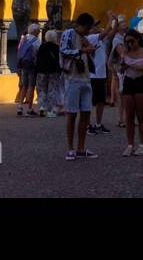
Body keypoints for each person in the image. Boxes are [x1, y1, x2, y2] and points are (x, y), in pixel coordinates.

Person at [60, 13, 99, 159]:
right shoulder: (68, 34)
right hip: (72, 78)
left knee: (86, 113)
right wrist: (82, 50)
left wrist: (89, 49)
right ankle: (70, 148)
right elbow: (63, 51)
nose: (89, 31)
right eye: (88, 28)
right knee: (72, 114)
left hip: (86, 78)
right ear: (80, 25)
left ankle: (81, 148)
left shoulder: (85, 38)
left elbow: (89, 57)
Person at [119, 30, 143, 155]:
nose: (130, 44)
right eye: (127, 42)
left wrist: (141, 68)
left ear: (138, 39)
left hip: (140, 81)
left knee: (140, 115)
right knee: (129, 116)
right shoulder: (125, 53)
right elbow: (120, 70)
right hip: (128, 82)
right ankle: (130, 144)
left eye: (132, 41)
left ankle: (142, 145)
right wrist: (124, 66)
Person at [86, 16, 112, 135]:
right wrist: (111, 19)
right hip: (93, 75)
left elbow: (111, 33)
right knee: (90, 102)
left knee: (101, 101)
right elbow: (106, 31)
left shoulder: (100, 39)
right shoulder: (91, 38)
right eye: (95, 25)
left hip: (100, 74)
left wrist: (115, 23)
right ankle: (87, 124)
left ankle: (98, 123)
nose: (97, 27)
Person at [35, 28, 63, 117]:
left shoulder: (42, 47)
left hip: (41, 71)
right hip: (54, 71)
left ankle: (42, 107)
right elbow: (60, 61)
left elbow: (37, 59)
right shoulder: (56, 48)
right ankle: (51, 110)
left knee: (42, 89)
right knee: (52, 89)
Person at [16, 22, 40, 116]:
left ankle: (20, 106)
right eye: (38, 31)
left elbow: (19, 52)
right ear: (35, 31)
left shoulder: (23, 39)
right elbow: (37, 53)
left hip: (23, 65)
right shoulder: (36, 40)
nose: (38, 32)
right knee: (31, 86)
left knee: (24, 85)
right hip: (32, 65)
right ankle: (29, 108)